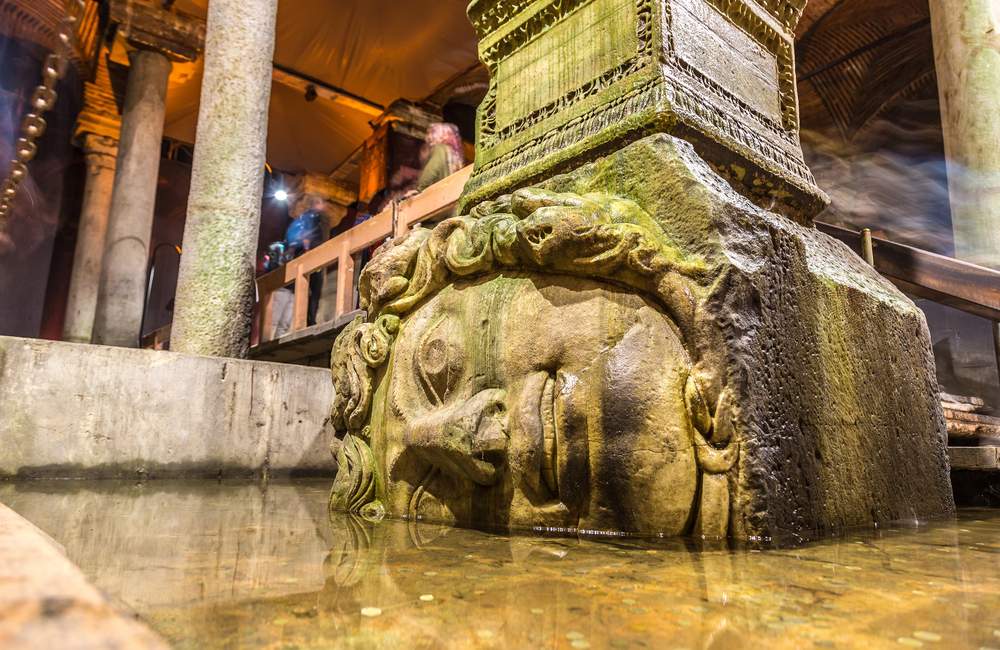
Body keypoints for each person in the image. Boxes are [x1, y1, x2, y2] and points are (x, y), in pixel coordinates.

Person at [413, 122, 465, 193]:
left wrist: (418, 190)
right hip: (450, 193)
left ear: (440, 135)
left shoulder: (440, 149)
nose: (428, 137)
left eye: (431, 133)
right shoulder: (455, 154)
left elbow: (430, 172)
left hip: (438, 194)